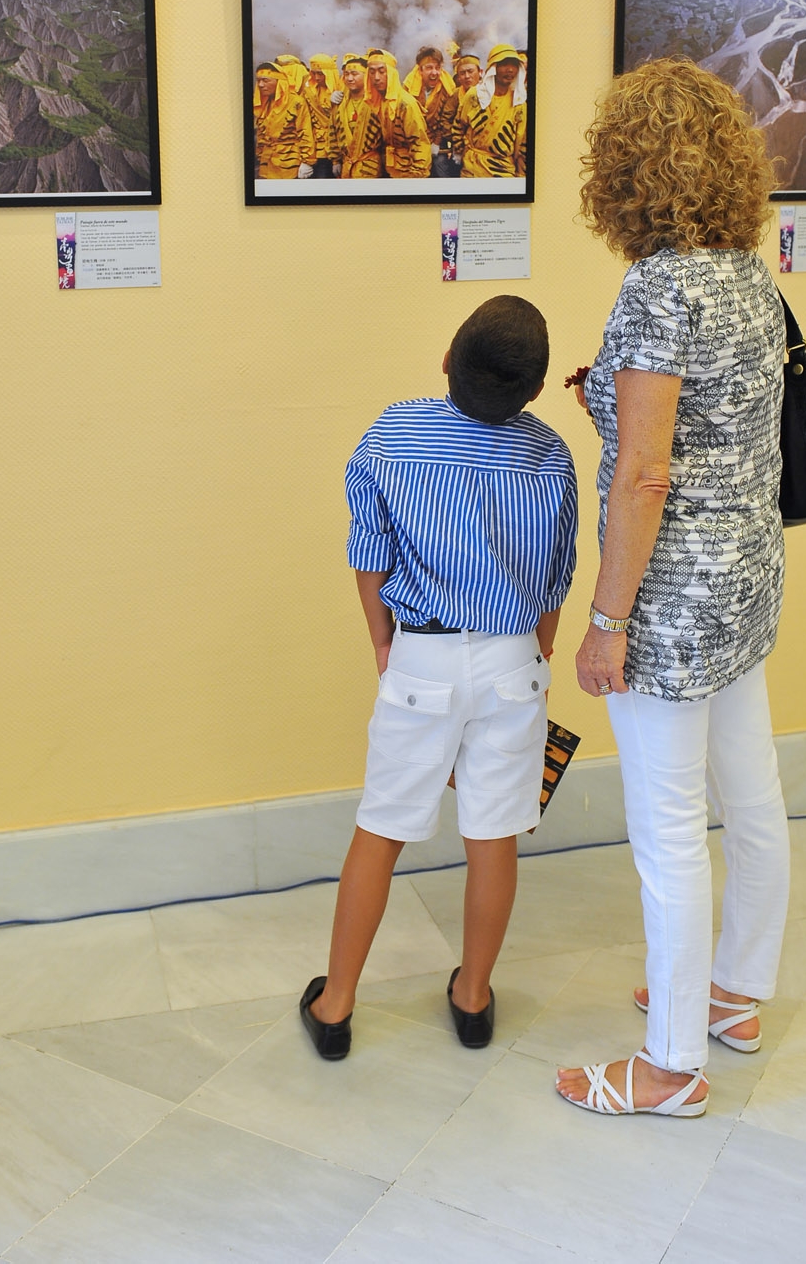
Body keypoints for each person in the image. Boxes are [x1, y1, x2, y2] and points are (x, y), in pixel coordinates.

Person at [555, 57, 789, 1120]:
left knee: (667, 832)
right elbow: (708, 429)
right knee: (751, 797)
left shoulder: (657, 289)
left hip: (669, 601)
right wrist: (610, 402)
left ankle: (667, 1066)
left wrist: (606, 622)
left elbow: (646, 477)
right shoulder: (748, 274)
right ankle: (733, 994)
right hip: (746, 580)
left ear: (623, 172)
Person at [301, 296, 578, 1060]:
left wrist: (382, 643)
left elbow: (369, 551)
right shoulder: (549, 452)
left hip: (421, 655)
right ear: (536, 388)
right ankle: (473, 997)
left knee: (381, 829)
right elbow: (555, 578)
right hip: (515, 659)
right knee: (493, 835)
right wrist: (535, 655)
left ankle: (335, 1004)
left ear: (449, 359)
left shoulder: (393, 433)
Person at [456, 44, 528, 178]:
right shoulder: (474, 95)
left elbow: (522, 145)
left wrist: (521, 176)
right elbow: (459, 126)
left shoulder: (519, 103)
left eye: (513, 65)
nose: (510, 70)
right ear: (493, 68)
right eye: (504, 65)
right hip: (472, 168)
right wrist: (462, 153)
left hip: (503, 170)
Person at [367, 49, 432, 178]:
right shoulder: (379, 101)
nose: (376, 77)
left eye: (382, 71)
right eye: (372, 72)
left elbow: (420, 143)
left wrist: (416, 175)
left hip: (408, 171)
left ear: (391, 74)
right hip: (390, 167)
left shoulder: (406, 104)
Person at [405, 45, 460, 178]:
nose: (434, 73)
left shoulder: (447, 89)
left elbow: (445, 118)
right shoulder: (409, 87)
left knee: (441, 166)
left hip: (438, 140)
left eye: (437, 68)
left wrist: (436, 143)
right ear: (420, 69)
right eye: (429, 68)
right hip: (414, 141)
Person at [253, 62, 315, 179]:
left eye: (265, 80)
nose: (260, 85)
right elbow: (261, 134)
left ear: (279, 82)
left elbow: (305, 132)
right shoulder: (264, 103)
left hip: (289, 163)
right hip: (266, 163)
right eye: (258, 80)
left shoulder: (296, 102)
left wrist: (307, 161)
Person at [334, 55, 383, 179]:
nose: (350, 78)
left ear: (366, 76)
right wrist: (335, 161)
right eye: (346, 74)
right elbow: (332, 131)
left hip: (369, 166)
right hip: (346, 166)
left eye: (355, 74)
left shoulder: (376, 102)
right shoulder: (340, 103)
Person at [303, 54, 342, 178]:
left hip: (339, 146)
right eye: (313, 73)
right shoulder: (309, 91)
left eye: (320, 73)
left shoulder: (342, 89)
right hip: (318, 147)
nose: (317, 77)